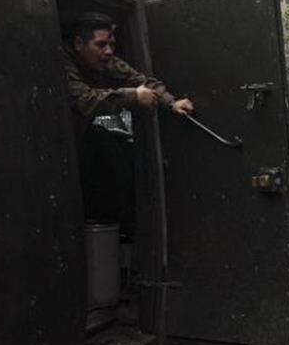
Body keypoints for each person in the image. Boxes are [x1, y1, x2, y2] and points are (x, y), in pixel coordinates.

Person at [63, 12, 193, 227]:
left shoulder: (105, 60)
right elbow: (84, 100)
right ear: (78, 43)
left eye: (111, 45)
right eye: (101, 44)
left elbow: (140, 80)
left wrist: (171, 102)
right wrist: (133, 95)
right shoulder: (62, 62)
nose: (108, 51)